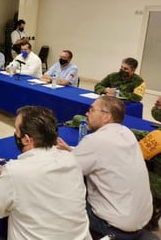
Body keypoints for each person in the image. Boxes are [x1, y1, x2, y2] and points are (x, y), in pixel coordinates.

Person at [0, 106, 91, 240]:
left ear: (26, 139)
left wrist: (6, 178)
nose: (15, 134)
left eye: (16, 130)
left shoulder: (15, 171)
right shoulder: (71, 159)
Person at [57, 96, 157, 240]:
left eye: (92, 110)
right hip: (140, 219)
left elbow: (66, 169)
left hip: (114, 227)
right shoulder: (126, 133)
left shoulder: (95, 141)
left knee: (62, 196)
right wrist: (72, 150)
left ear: (106, 117)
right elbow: (105, 157)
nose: (87, 113)